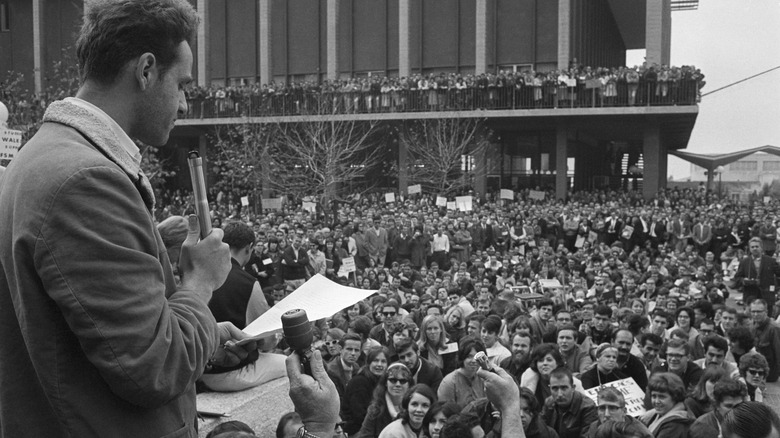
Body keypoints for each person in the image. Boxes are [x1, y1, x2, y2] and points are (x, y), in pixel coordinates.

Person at [0, 1, 255, 435]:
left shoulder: (44, 157)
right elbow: (154, 367)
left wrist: (203, 331)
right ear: (147, 70)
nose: (186, 104)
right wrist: (199, 282)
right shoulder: (86, 181)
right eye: (182, 84)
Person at [202, 222, 287, 392]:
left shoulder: (201, 272)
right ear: (249, 248)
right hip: (231, 372)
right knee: (291, 364)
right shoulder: (248, 283)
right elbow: (266, 342)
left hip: (198, 367)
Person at [343, 346, 390, 435]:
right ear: (368, 363)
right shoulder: (359, 382)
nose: (379, 364)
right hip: (356, 431)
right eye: (375, 361)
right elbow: (359, 416)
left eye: (383, 361)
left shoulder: (384, 382)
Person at [358, 363, 414, 438]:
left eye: (403, 381)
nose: (398, 384)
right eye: (393, 380)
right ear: (385, 383)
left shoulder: (414, 408)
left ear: (409, 385)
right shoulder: (375, 409)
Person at [541, 367, 597, 438]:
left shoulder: (588, 406)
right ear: (550, 388)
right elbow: (540, 430)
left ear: (573, 388)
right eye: (555, 388)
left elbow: (587, 436)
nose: (560, 394)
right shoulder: (549, 402)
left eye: (564, 388)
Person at [639, 372, 694, 438]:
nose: (657, 401)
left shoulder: (675, 425)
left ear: (675, 397)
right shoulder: (655, 415)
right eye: (654, 396)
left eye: (662, 397)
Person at [734, 237, 780, 315]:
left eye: (757, 246)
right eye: (752, 247)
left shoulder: (771, 261)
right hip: (750, 295)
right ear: (749, 248)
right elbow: (737, 278)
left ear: (761, 247)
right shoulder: (744, 262)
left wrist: (777, 289)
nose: (755, 248)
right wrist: (744, 281)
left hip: (767, 296)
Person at [437, 336, 487, 408]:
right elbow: (446, 412)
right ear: (462, 357)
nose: (473, 361)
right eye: (469, 356)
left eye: (476, 357)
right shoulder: (449, 382)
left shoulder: (483, 378)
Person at [582, 387, 651, 438]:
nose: (606, 414)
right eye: (602, 408)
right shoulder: (594, 427)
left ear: (624, 411)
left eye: (612, 408)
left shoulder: (639, 432)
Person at [749, 299, 780, 382]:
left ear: (766, 312)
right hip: (752, 369)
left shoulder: (773, 328)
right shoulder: (751, 326)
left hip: (769, 374)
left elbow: (778, 352)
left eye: (759, 312)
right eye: (753, 311)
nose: (755, 314)